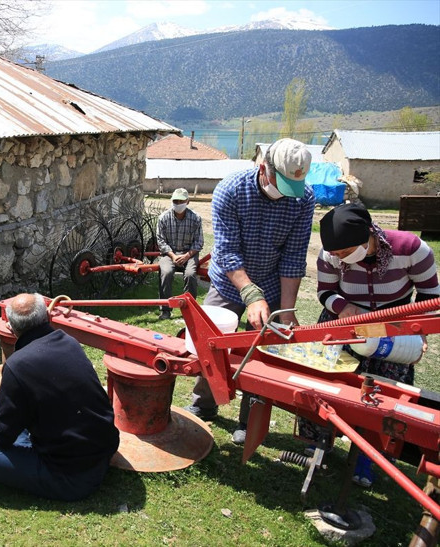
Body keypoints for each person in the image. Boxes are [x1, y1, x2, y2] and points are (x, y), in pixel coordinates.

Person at [185, 138, 316, 445]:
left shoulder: (303, 199)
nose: (285, 192)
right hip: (229, 281)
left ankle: (249, 419)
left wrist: (286, 311)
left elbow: (294, 256)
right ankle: (206, 402)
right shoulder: (231, 190)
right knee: (213, 342)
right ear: (263, 168)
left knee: (262, 351)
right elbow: (228, 251)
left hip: (271, 282)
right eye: (280, 183)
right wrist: (250, 294)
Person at [317, 202, 439, 486]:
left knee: (382, 392)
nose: (341, 258)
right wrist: (344, 307)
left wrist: (417, 331)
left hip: (395, 324)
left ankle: (369, 457)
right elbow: (325, 291)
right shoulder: (330, 254)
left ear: (369, 235)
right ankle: (322, 440)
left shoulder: (412, 249)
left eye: (346, 253)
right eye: (336, 254)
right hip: (345, 320)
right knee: (333, 381)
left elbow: (430, 294)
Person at [0, 293, 119, 501]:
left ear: (12, 328)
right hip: (103, 453)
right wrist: (6, 407)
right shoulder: (70, 342)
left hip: (73, 478)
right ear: (47, 317)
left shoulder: (16, 365)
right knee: (16, 422)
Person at [156, 187, 204, 319]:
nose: (178, 204)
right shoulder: (163, 218)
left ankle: (189, 310)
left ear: (187, 202)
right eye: (175, 201)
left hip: (189, 253)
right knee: (166, 273)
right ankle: (165, 310)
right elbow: (160, 241)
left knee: (190, 274)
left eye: (181, 201)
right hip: (169, 254)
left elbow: (199, 242)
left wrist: (187, 255)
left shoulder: (195, 219)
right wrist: (173, 255)